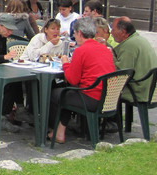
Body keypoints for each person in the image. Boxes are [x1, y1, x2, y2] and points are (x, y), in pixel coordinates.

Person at [49, 16, 115, 144]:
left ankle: (56, 130)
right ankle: (60, 132)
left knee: (56, 93)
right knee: (69, 93)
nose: (74, 36)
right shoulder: (105, 49)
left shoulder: (81, 51)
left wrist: (65, 63)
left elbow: (73, 79)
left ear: (79, 33)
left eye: (74, 33)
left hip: (91, 99)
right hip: (108, 98)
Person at [111, 16, 157, 103]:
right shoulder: (140, 39)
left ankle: (111, 116)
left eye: (113, 29)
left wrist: (110, 54)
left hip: (138, 91)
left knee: (102, 91)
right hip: (149, 89)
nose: (111, 32)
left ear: (123, 32)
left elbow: (120, 73)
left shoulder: (130, 45)